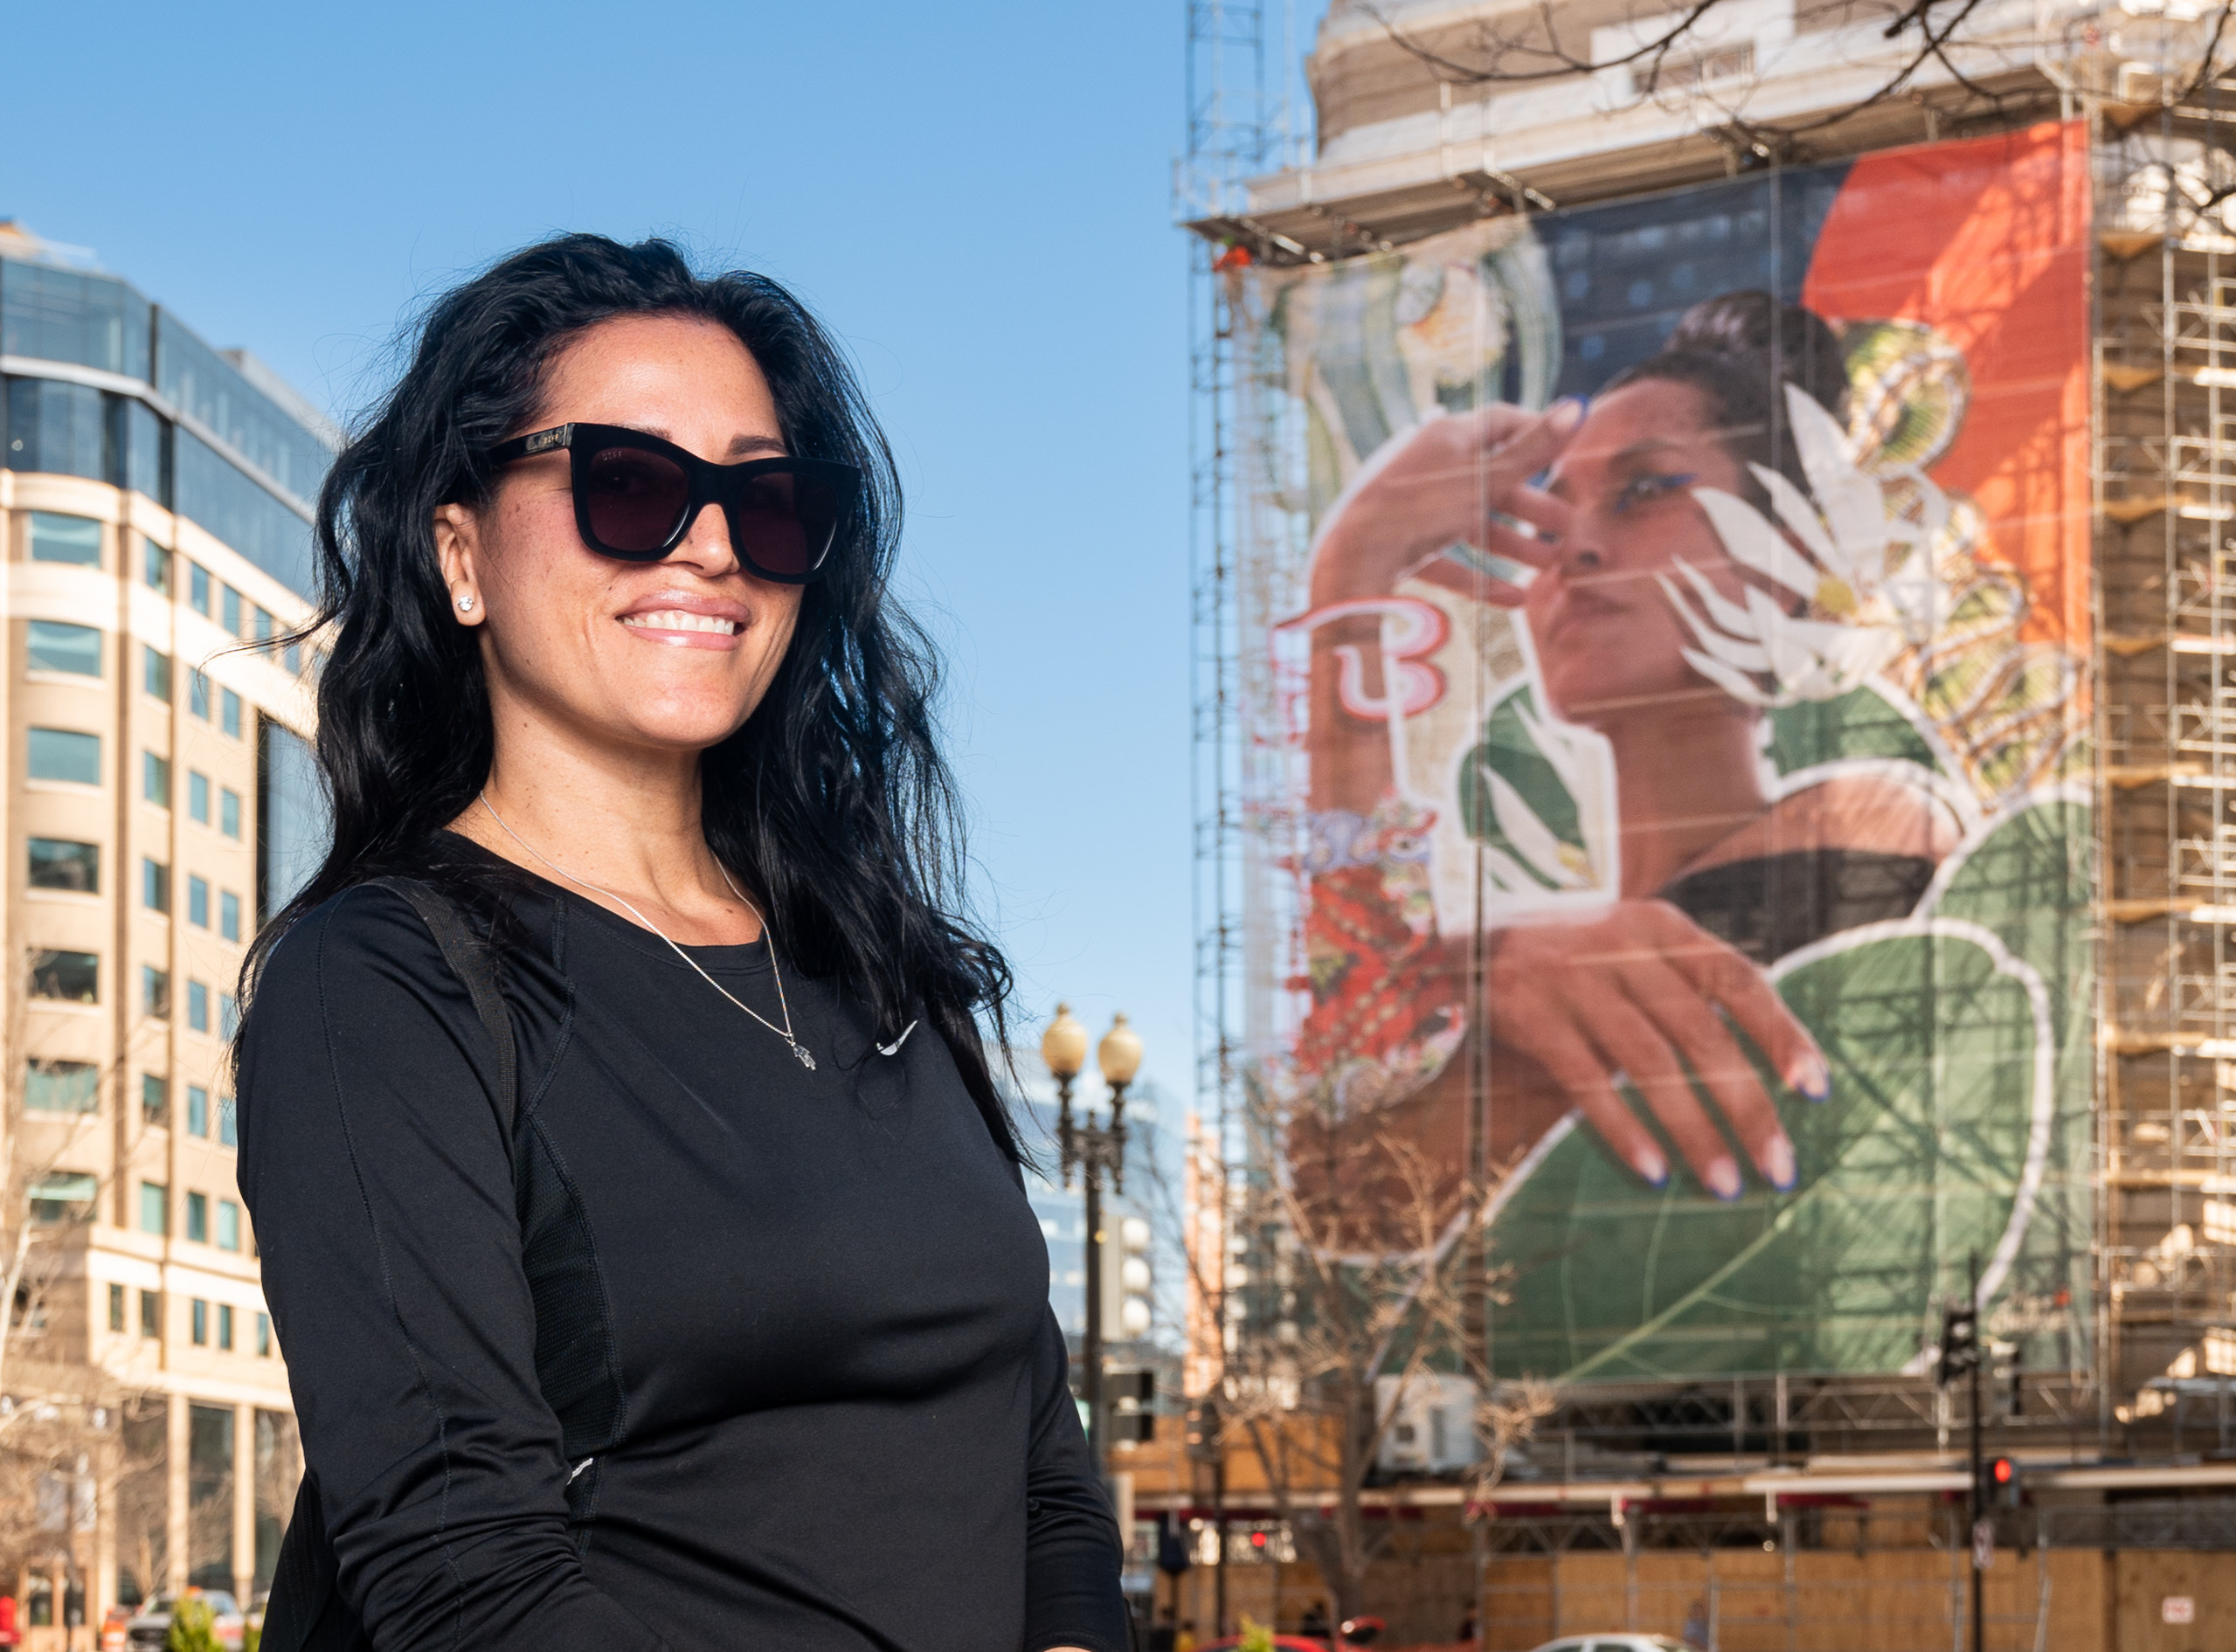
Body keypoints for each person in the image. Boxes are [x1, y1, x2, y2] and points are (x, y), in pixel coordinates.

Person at [235, 236, 1126, 1652]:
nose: (709, 543)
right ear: (460, 554)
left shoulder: (878, 973)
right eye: (629, 484)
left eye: (766, 502)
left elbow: (1042, 1476)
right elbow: (465, 1578)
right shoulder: (383, 984)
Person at [1296, 292, 1956, 1205]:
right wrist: (1355, 576)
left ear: (1784, 555)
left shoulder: (1877, 821)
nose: (1577, 549)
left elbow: (1359, 1174)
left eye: (1645, 490)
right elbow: (1347, 1165)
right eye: (1546, 518)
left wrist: (1458, 967)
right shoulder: (1547, 956)